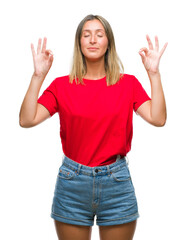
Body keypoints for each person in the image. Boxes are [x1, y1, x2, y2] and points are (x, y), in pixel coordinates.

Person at [19, 14, 167, 240]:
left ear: (109, 42)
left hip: (116, 183)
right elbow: (27, 119)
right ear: (79, 43)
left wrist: (154, 74)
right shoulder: (62, 85)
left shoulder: (128, 84)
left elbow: (158, 119)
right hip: (72, 184)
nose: (93, 40)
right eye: (86, 35)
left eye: (99, 35)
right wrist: (38, 76)